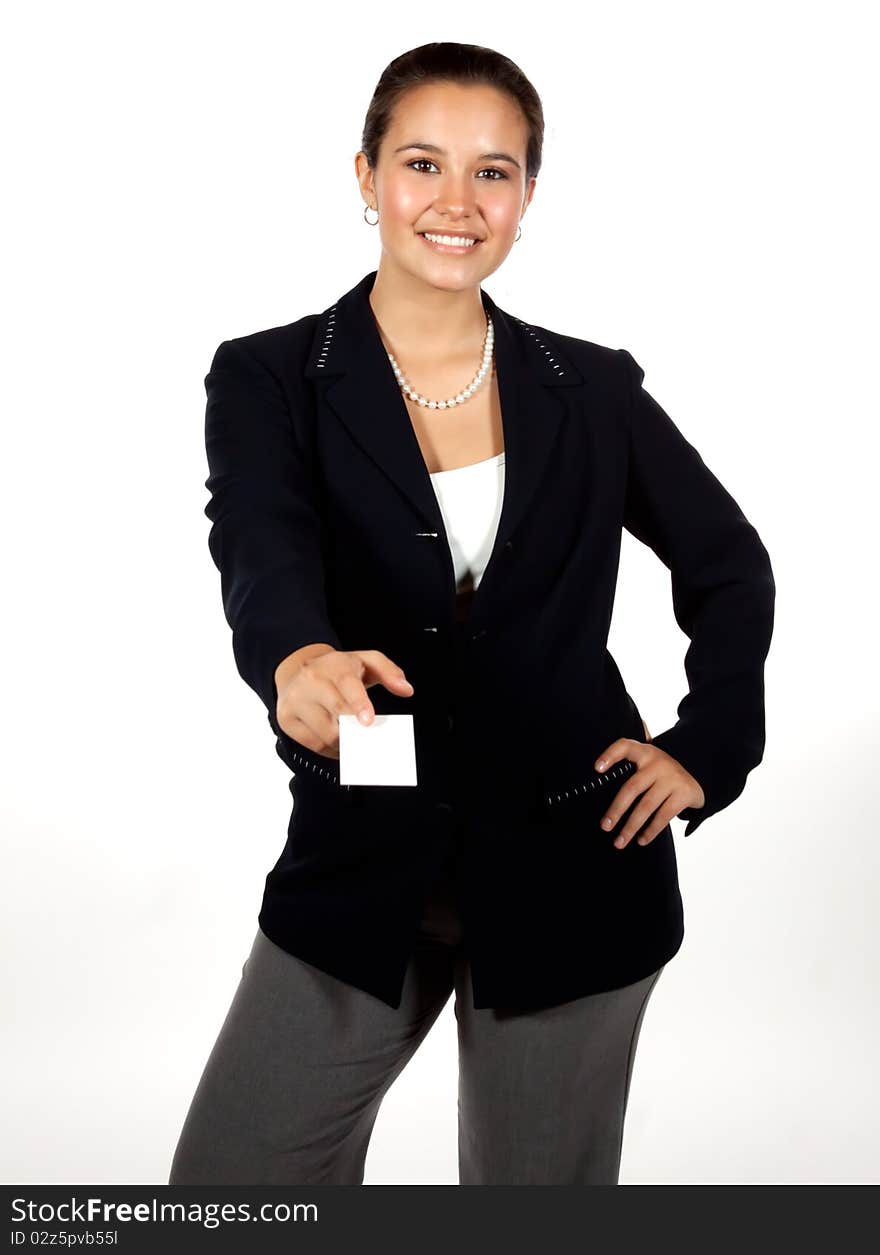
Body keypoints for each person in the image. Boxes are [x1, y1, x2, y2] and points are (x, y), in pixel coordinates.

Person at [168, 41, 775, 1186]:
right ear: (364, 177)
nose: (457, 203)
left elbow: (727, 561)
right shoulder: (269, 376)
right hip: (366, 850)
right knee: (230, 1195)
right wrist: (294, 655)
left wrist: (710, 744)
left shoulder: (591, 387)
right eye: (421, 163)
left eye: (494, 172)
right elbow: (259, 540)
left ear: (528, 197)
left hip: (579, 856)